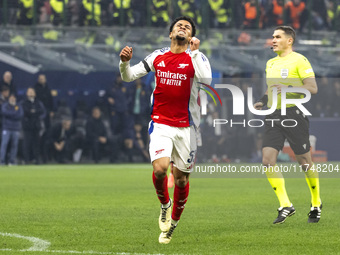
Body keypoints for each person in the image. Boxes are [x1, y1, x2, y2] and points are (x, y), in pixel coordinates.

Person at [119, 16, 211, 243]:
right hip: (161, 123)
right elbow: (129, 76)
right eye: (179, 25)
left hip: (187, 128)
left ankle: (174, 223)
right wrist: (124, 63)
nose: (183, 27)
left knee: (181, 180)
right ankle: (164, 205)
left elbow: (206, 81)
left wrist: (196, 53)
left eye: (187, 27)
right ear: (171, 34)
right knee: (160, 169)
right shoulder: (157, 56)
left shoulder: (196, 57)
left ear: (191, 37)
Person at [254, 26, 321, 224]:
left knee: (304, 162)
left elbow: (312, 88)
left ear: (289, 40)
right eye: (272, 37)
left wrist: (289, 87)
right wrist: (262, 101)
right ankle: (286, 205)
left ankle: (316, 203)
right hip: (274, 114)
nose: (273, 40)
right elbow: (271, 89)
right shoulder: (271, 63)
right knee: (267, 160)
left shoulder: (299, 60)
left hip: (294, 114)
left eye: (277, 37)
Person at [21, 87, 46, 164]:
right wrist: (34, 112)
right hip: (27, 126)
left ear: (35, 93)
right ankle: (26, 160)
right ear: (27, 93)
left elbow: (42, 111)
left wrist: (33, 112)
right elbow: (25, 112)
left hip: (36, 126)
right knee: (27, 144)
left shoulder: (38, 102)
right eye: (29, 92)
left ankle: (37, 159)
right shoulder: (23, 102)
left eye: (32, 91)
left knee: (36, 144)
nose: (31, 93)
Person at [0, 94, 23, 165]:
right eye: (11, 98)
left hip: (15, 128)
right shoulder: (5, 105)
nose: (12, 99)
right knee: (4, 144)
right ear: (9, 98)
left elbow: (20, 115)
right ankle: (2, 160)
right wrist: (14, 114)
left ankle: (12, 161)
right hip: (6, 128)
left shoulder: (18, 106)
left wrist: (10, 115)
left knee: (14, 145)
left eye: (14, 98)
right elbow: (4, 112)